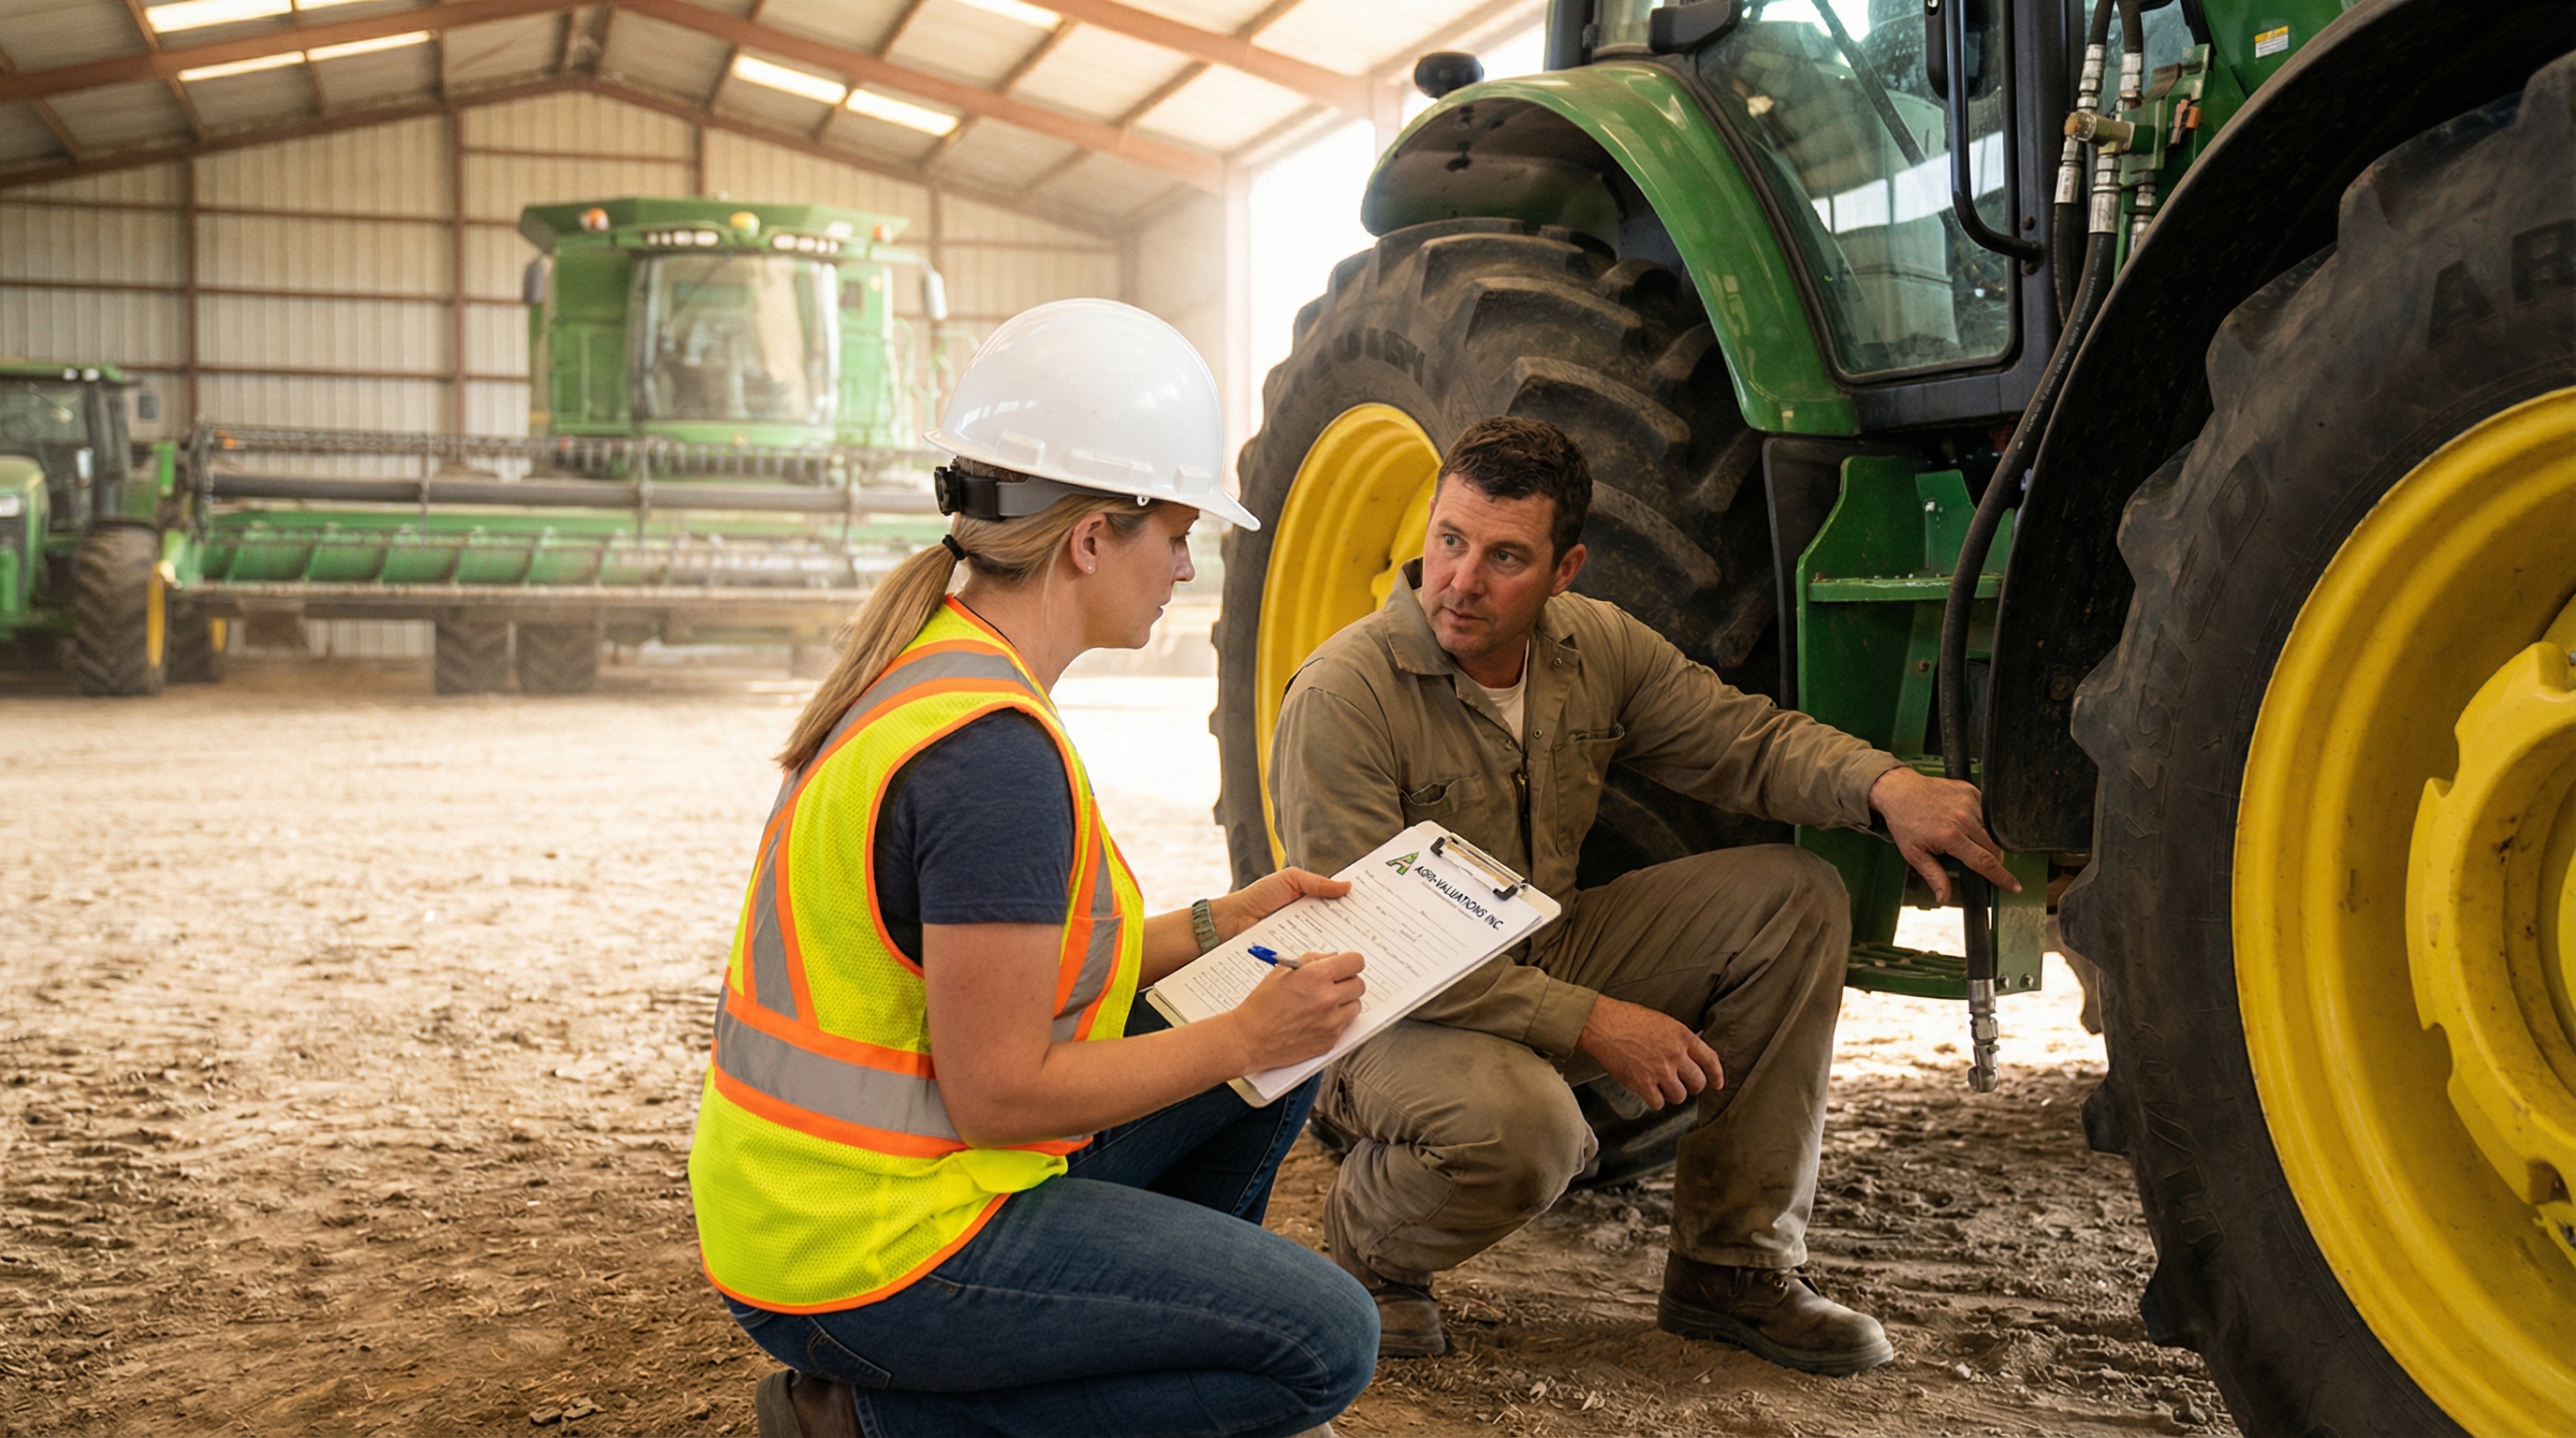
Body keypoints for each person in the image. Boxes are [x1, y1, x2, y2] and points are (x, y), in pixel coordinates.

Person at [689, 299, 1380, 1438]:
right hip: (867, 1249)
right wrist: (1243, 1034)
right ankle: (860, 1423)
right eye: (1174, 534)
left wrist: (1225, 923)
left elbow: (1020, 963)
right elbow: (1000, 1090)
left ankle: (1130, 1330)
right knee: (1322, 1344)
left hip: (823, 1205)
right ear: (1091, 536)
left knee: (1271, 1056)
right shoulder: (991, 758)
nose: (1185, 569)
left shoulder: (941, 670)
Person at [1269, 416, 2018, 1377]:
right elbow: (1381, 947)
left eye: (1504, 556)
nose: (1460, 579)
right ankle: (1372, 1252)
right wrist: (1593, 1021)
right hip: (1382, 1012)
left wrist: (1884, 787)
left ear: (1564, 569)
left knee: (1792, 897)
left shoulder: (1593, 648)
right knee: (1531, 1131)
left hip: (1539, 951)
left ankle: (1729, 1268)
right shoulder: (1344, 695)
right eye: (1449, 540)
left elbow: (1740, 740)